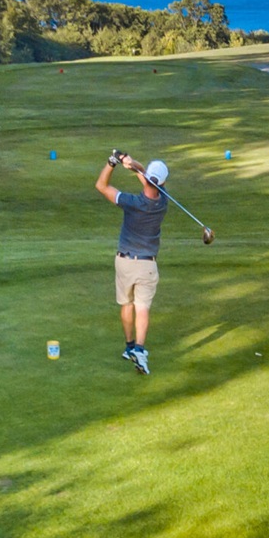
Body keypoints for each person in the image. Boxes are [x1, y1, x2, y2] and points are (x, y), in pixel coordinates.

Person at [96, 150, 168, 374]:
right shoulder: (163, 201)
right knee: (142, 307)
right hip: (147, 265)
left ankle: (129, 348)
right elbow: (146, 176)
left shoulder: (131, 202)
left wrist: (112, 163)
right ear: (163, 183)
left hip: (125, 261)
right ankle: (139, 349)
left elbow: (101, 186)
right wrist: (131, 163)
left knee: (127, 305)